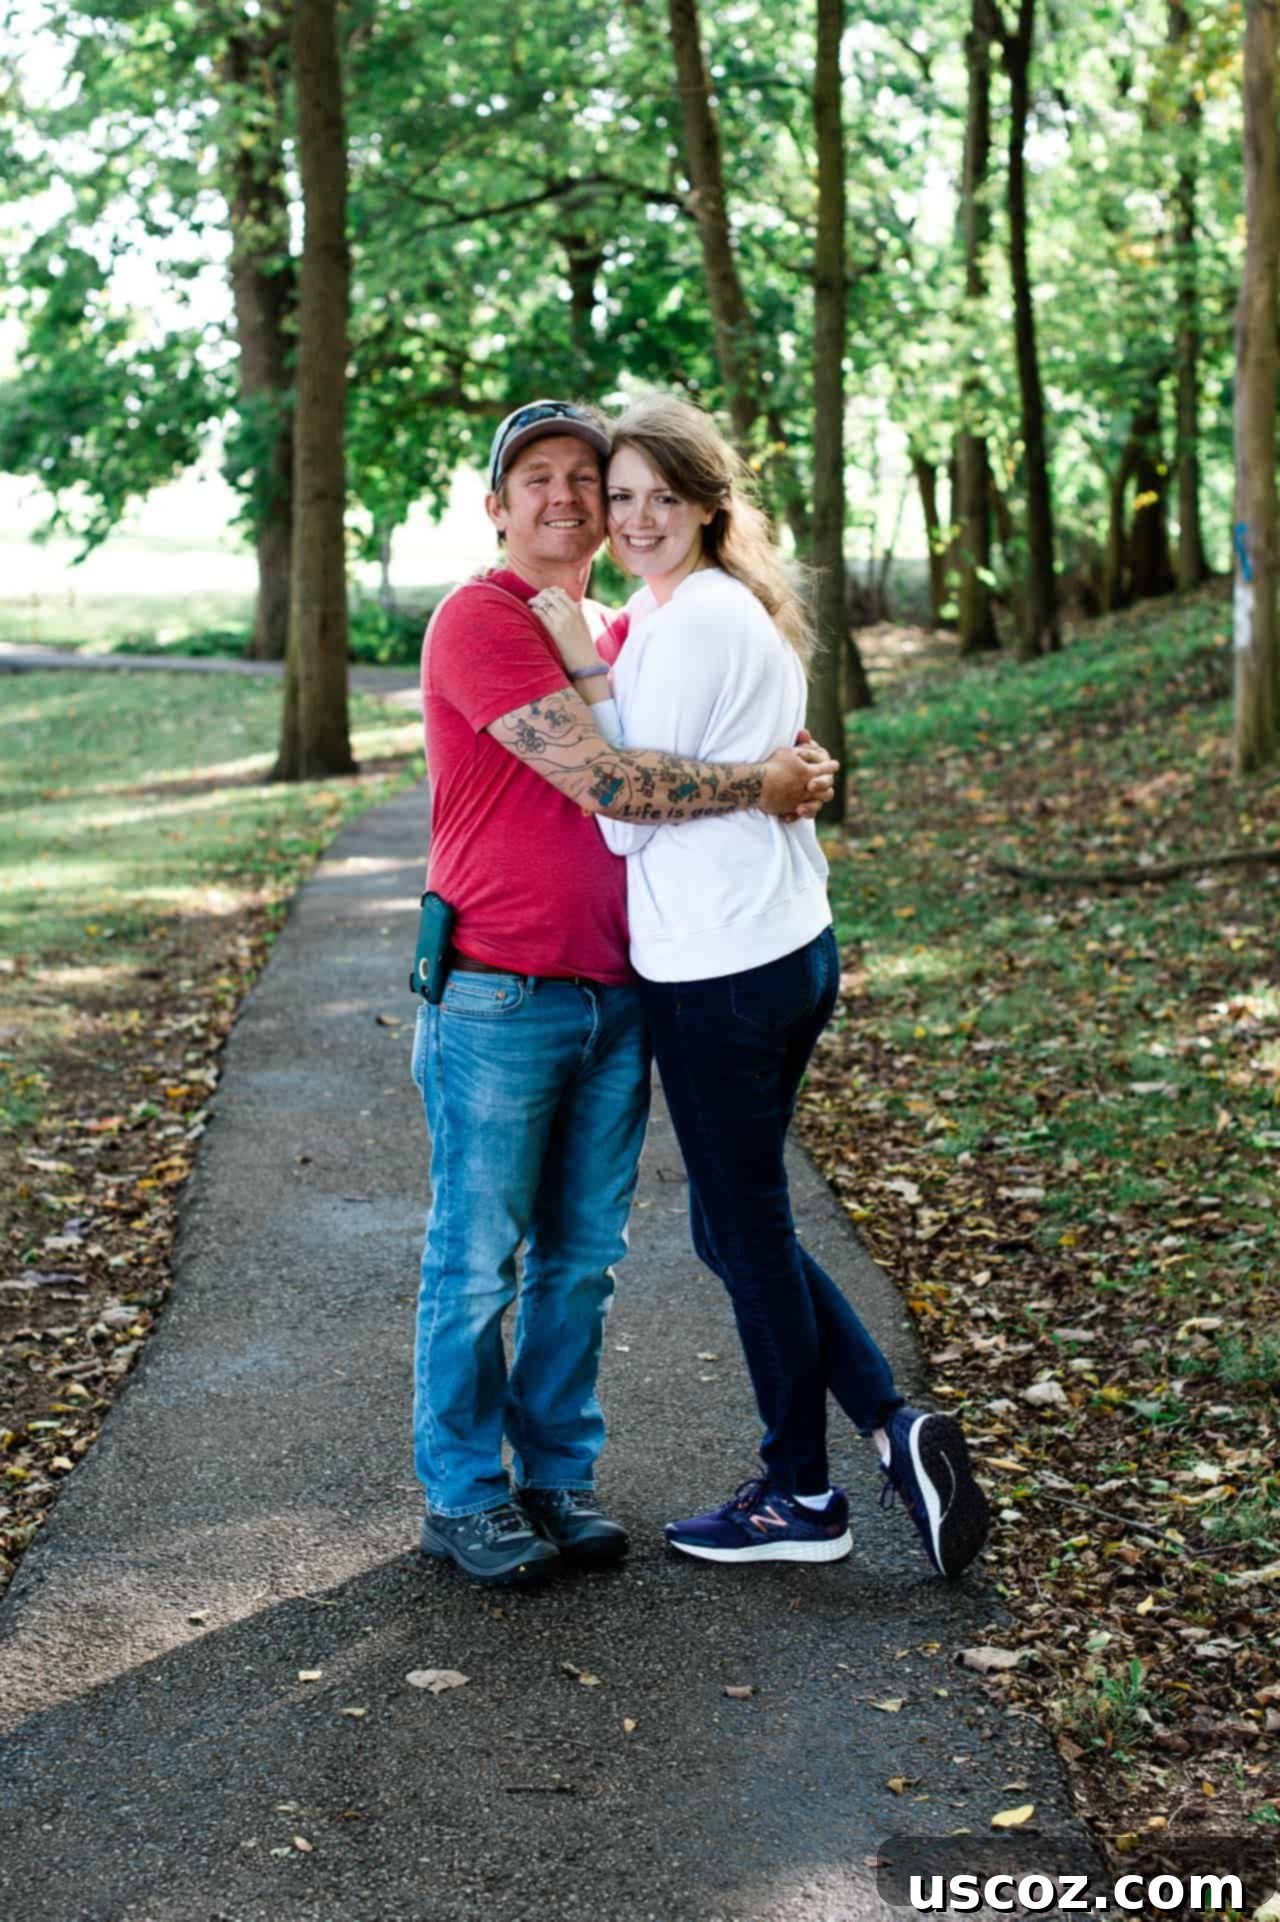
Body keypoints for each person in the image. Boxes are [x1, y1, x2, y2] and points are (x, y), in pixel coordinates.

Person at [532, 396, 990, 1579]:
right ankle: (894, 1427)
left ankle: (803, 1490)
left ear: (705, 504)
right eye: (618, 497)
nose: (632, 520)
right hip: (788, 944)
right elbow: (708, 759)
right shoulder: (718, 605)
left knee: (744, 1228)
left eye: (657, 499)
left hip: (719, 971)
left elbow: (628, 815)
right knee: (734, 1227)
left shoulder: (683, 628)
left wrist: (587, 674)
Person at [412, 398, 839, 1588]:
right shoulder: (485, 620)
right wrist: (760, 781)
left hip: (622, 994)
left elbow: (719, 723)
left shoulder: (614, 623)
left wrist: (787, 759)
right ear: (497, 508)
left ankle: (554, 1477)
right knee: (476, 1254)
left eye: (582, 478)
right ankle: (462, 1492)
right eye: (534, 478)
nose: (565, 496)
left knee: (582, 1258)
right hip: (499, 991)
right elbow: (611, 777)